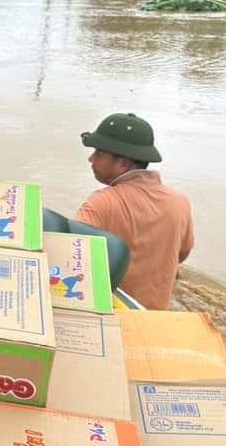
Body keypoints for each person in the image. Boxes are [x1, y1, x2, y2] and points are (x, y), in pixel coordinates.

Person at [75, 113, 194, 310]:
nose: (91, 158)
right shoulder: (179, 202)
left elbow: (71, 255)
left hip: (113, 311)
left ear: (122, 162)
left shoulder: (102, 202)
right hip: (155, 317)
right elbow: (182, 253)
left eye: (98, 153)